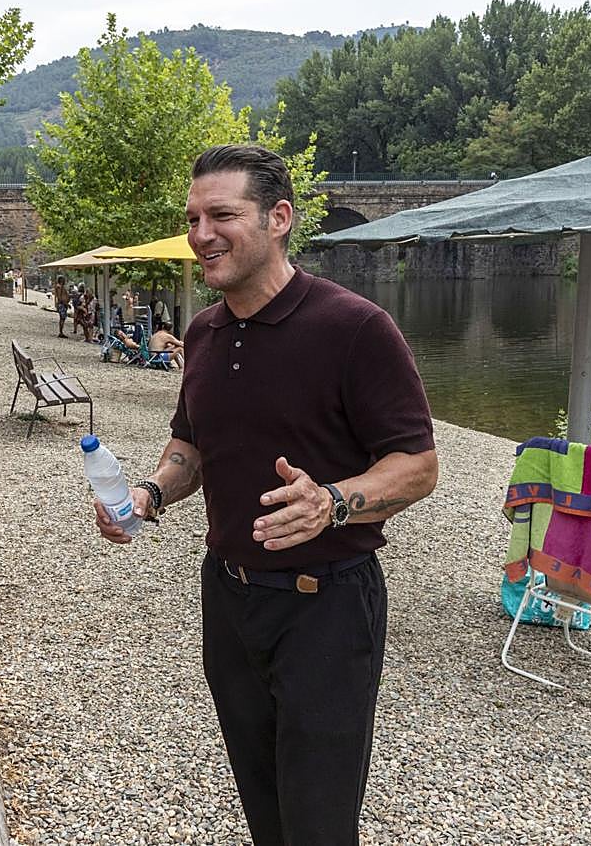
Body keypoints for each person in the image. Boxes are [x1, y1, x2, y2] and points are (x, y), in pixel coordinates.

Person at [95, 144, 438, 845]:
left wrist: (333, 501)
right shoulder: (204, 331)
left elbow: (419, 464)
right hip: (229, 601)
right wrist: (150, 492)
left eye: (222, 214)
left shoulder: (356, 329)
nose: (200, 234)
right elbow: (191, 447)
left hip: (327, 608)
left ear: (279, 218)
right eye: (193, 217)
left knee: (317, 820)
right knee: (264, 809)